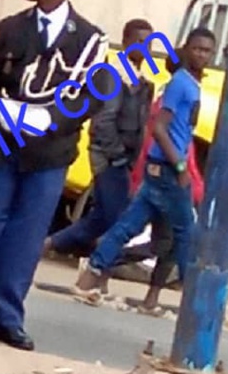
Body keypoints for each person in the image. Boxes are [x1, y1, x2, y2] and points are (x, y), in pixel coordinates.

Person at [0, 0, 108, 351]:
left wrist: (52, 120)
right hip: (6, 144)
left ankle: (9, 316)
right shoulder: (11, 27)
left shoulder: (89, 38)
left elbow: (92, 95)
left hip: (51, 152)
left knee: (27, 234)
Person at [74, 26, 216, 301]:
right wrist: (180, 166)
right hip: (168, 169)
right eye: (197, 49)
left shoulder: (190, 84)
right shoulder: (181, 84)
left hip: (158, 167)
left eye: (207, 51)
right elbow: (160, 128)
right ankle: (195, 300)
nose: (202, 55)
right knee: (185, 232)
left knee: (129, 225)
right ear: (186, 49)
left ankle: (91, 274)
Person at [45, 18, 155, 261]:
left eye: (148, 43)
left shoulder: (142, 80)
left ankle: (51, 245)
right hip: (108, 156)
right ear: (125, 42)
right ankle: (93, 266)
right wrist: (116, 156)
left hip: (125, 158)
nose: (144, 48)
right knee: (113, 217)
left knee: (104, 216)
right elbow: (104, 121)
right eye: (139, 41)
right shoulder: (112, 75)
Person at [123, 52, 205, 315]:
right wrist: (184, 174)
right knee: (174, 238)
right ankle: (101, 262)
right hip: (167, 175)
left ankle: (151, 295)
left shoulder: (172, 99)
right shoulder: (171, 105)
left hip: (167, 174)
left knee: (165, 241)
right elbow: (165, 144)